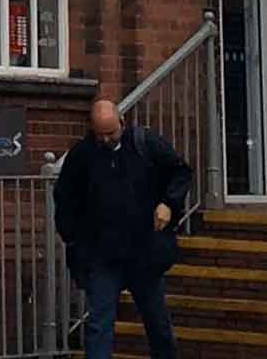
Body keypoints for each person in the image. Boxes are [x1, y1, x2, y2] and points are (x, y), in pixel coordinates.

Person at [54, 99, 193, 359]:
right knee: (99, 324)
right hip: (102, 254)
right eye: (100, 135)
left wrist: (168, 204)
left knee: (157, 323)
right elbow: (64, 198)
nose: (106, 139)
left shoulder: (145, 143)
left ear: (122, 123)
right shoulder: (82, 156)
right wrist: (72, 238)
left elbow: (181, 172)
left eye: (111, 133)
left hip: (144, 253)